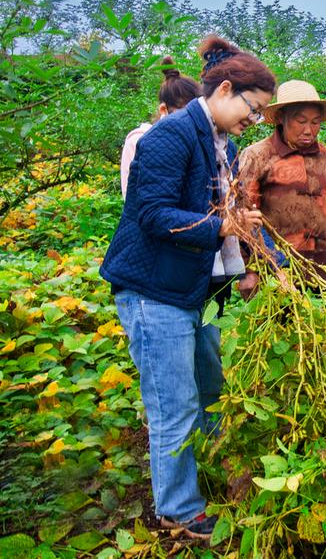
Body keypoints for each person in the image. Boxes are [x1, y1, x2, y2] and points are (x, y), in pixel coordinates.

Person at [100, 36, 276, 539]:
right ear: (225, 89)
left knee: (208, 391)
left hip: (194, 292)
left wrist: (272, 261)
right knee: (173, 403)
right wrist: (220, 227)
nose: (255, 120)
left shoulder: (224, 144)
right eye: (254, 109)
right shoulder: (170, 137)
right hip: (154, 292)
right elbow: (152, 214)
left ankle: (205, 476)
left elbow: (237, 215)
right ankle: (179, 511)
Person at [236, 80, 326, 298]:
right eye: (301, 121)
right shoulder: (257, 156)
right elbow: (244, 217)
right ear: (281, 118)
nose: (309, 130)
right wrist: (250, 269)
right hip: (282, 270)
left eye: (316, 122)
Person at [120, 57, 201, 198]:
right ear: (163, 109)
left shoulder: (196, 141)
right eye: (185, 114)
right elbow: (131, 196)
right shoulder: (139, 139)